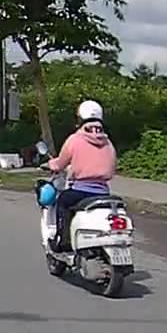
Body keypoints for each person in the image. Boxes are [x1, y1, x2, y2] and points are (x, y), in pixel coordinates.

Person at [46, 100, 117, 251]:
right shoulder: (108, 142)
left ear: (80, 119)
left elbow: (60, 164)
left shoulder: (75, 139)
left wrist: (51, 164)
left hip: (81, 191)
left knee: (62, 202)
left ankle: (63, 241)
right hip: (104, 192)